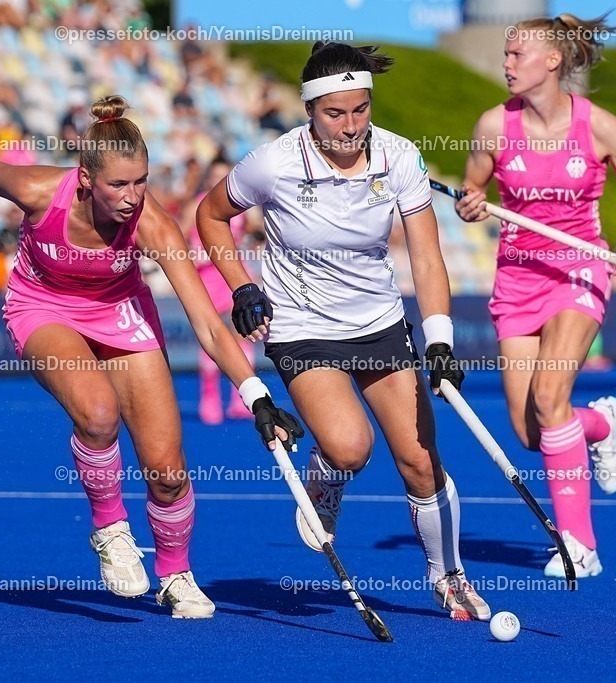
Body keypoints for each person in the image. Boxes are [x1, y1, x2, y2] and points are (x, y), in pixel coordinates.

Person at [0, 95, 303, 618]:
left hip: (120, 312)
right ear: (86, 179)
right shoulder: (39, 191)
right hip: (42, 306)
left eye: (141, 181)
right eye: (119, 184)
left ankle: (176, 575)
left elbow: (206, 321)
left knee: (168, 471)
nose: (134, 197)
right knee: (96, 412)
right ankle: (111, 530)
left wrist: (257, 396)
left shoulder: (153, 224)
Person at [198, 42, 490, 621]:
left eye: (361, 110)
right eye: (336, 114)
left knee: (420, 460)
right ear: (309, 109)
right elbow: (210, 216)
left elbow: (428, 259)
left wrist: (439, 337)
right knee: (350, 447)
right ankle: (326, 478)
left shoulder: (399, 156)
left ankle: (448, 577)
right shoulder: (272, 163)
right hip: (302, 326)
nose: (351, 126)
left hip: (379, 322)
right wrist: (241, 284)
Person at [456, 13, 616, 577]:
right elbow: (472, 190)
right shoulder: (492, 126)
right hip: (517, 279)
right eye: (505, 54)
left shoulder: (599, 126)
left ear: (552, 61)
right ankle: (600, 424)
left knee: (550, 397)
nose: (507, 64)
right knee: (532, 433)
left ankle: (579, 545)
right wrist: (471, 204)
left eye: (517, 54)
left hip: (579, 270)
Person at [179, 156, 256, 424]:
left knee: (242, 334)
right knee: (211, 335)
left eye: (225, 176)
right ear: (208, 177)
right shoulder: (195, 205)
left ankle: (241, 398)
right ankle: (209, 398)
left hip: (233, 273)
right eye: (216, 175)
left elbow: (247, 236)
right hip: (207, 277)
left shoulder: (240, 208)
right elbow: (179, 240)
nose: (219, 181)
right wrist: (195, 256)